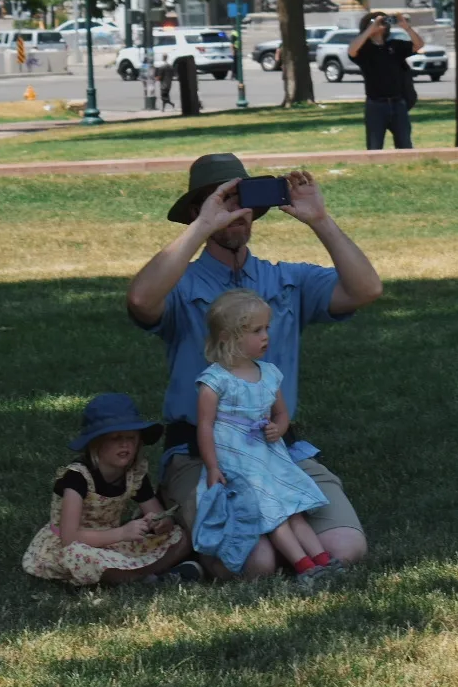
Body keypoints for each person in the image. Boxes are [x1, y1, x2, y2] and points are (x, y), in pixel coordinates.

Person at [126, 153, 383, 578]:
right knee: (255, 562)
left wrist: (320, 219)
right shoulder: (180, 283)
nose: (236, 212)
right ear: (197, 210)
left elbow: (366, 288)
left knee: (346, 546)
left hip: (276, 448)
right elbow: (140, 300)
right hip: (199, 451)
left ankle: (202, 551)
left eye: (241, 200)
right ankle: (203, 549)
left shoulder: (287, 279)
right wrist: (202, 228)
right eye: (221, 201)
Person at [195, 289, 339, 582]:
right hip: (237, 463)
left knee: (292, 511)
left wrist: (279, 429)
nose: (265, 336)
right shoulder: (215, 381)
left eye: (266, 329)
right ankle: (305, 567)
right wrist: (212, 467)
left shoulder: (269, 374)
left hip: (268, 459)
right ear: (228, 337)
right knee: (272, 517)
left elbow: (281, 414)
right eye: (256, 330)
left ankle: (324, 559)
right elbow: (205, 426)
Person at [22, 393, 199, 587]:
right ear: (96, 444)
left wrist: (159, 523)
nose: (125, 444)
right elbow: (69, 537)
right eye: (115, 438)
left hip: (112, 541)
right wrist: (122, 533)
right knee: (80, 556)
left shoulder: (134, 474)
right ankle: (145, 578)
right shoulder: (77, 477)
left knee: (180, 536)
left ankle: (143, 574)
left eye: (131, 438)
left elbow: (157, 514)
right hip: (76, 544)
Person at [347, 11, 422, 150]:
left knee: (405, 145)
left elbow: (418, 45)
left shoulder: (394, 45)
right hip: (375, 105)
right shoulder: (364, 49)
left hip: (398, 103)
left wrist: (407, 28)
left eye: (383, 22)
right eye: (377, 22)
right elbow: (351, 51)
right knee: (374, 147)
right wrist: (371, 28)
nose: (381, 24)